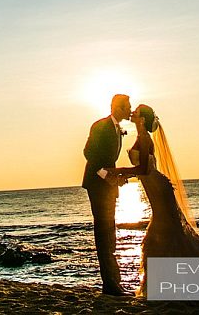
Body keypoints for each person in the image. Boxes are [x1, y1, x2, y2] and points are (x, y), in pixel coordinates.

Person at [111, 103, 199, 299]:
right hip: (155, 185)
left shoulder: (145, 138)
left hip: (158, 187)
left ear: (142, 119)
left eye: (137, 112)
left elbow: (144, 170)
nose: (133, 113)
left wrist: (118, 171)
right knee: (165, 230)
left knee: (166, 230)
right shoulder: (140, 137)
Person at [82, 92, 131, 295]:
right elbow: (89, 153)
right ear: (117, 108)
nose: (130, 110)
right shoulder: (100, 126)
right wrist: (106, 176)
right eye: (127, 106)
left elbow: (109, 160)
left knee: (110, 232)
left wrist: (115, 177)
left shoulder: (117, 128)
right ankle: (111, 286)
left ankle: (113, 283)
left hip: (108, 185)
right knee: (104, 233)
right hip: (98, 185)